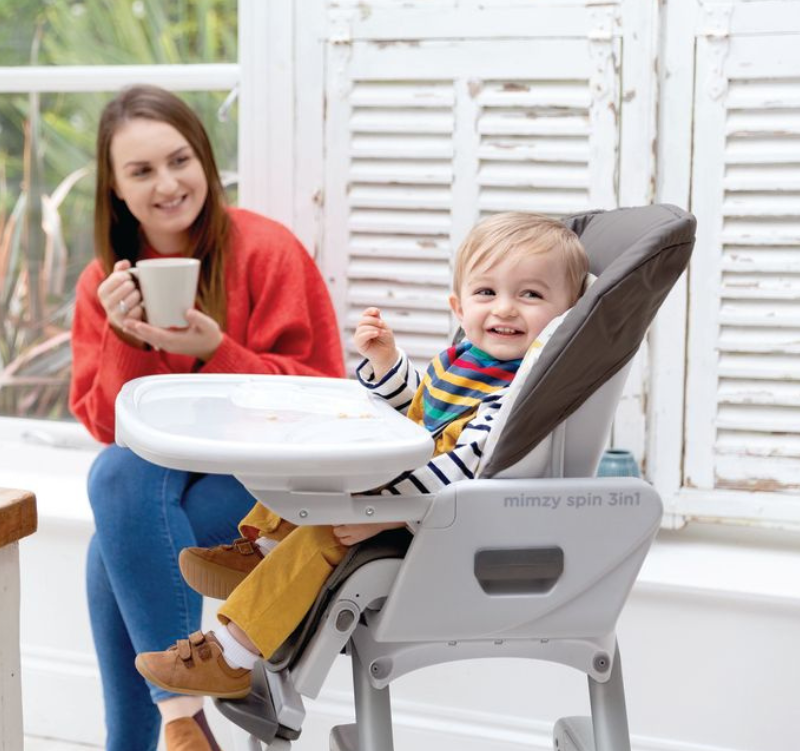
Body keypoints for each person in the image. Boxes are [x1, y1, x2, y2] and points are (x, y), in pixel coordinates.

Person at [134, 212, 589, 699]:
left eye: (530, 295)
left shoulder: (516, 395)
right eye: (486, 292)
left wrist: (384, 511)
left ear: (566, 316)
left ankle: (230, 657)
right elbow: (420, 408)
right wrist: (386, 362)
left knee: (323, 535)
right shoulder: (466, 361)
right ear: (459, 307)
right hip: (404, 495)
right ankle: (263, 551)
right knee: (314, 459)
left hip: (432, 523)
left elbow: (461, 469)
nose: (505, 309)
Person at [70, 84, 346, 751]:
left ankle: (168, 727)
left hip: (270, 485)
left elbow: (326, 400)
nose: (167, 185)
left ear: (204, 161)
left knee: (114, 537)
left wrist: (217, 352)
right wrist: (123, 337)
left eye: (179, 160)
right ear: (116, 190)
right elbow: (109, 429)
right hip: (165, 481)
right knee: (117, 480)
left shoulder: (266, 250)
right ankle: (183, 721)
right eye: (141, 171)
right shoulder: (105, 283)